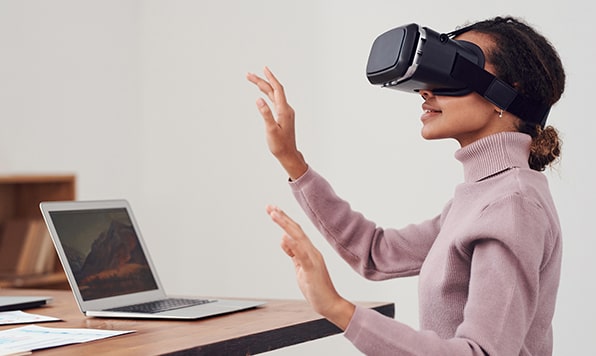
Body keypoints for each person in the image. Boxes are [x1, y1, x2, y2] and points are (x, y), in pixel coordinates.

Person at [247, 16, 565, 355]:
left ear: (506, 93)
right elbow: (376, 254)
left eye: (453, 72)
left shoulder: (511, 204)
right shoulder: (484, 196)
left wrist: (337, 309)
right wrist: (292, 159)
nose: (424, 90)